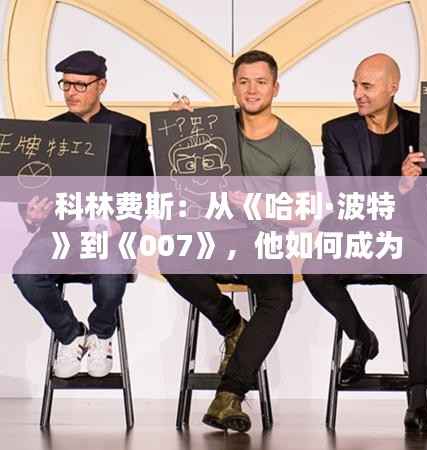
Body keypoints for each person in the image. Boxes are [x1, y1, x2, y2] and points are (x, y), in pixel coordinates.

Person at [162, 50, 315, 432]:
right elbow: (180, 164)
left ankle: (230, 394)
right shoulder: (217, 129)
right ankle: (233, 326)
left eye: (261, 82)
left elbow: (303, 213)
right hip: (215, 234)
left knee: (278, 296)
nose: (252, 90)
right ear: (234, 86)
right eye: (244, 82)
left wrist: (257, 205)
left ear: (275, 88)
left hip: (264, 239)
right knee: (170, 255)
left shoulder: (294, 145)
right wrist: (178, 124)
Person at [303, 53, 427, 436]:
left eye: (366, 86)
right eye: (355, 85)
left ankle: (418, 403)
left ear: (392, 87)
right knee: (315, 269)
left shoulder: (423, 127)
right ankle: (363, 338)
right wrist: (399, 186)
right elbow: (345, 203)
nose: (358, 94)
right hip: (354, 237)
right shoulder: (336, 132)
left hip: (408, 241)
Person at [12, 50, 154, 379]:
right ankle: (72, 335)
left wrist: (121, 223)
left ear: (101, 85)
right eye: (66, 85)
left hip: (110, 234)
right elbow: (31, 187)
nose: (71, 92)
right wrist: (32, 214)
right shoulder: (49, 133)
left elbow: (144, 190)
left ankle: (102, 335)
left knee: (111, 272)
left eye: (80, 85)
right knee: (25, 272)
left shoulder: (130, 130)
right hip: (59, 233)